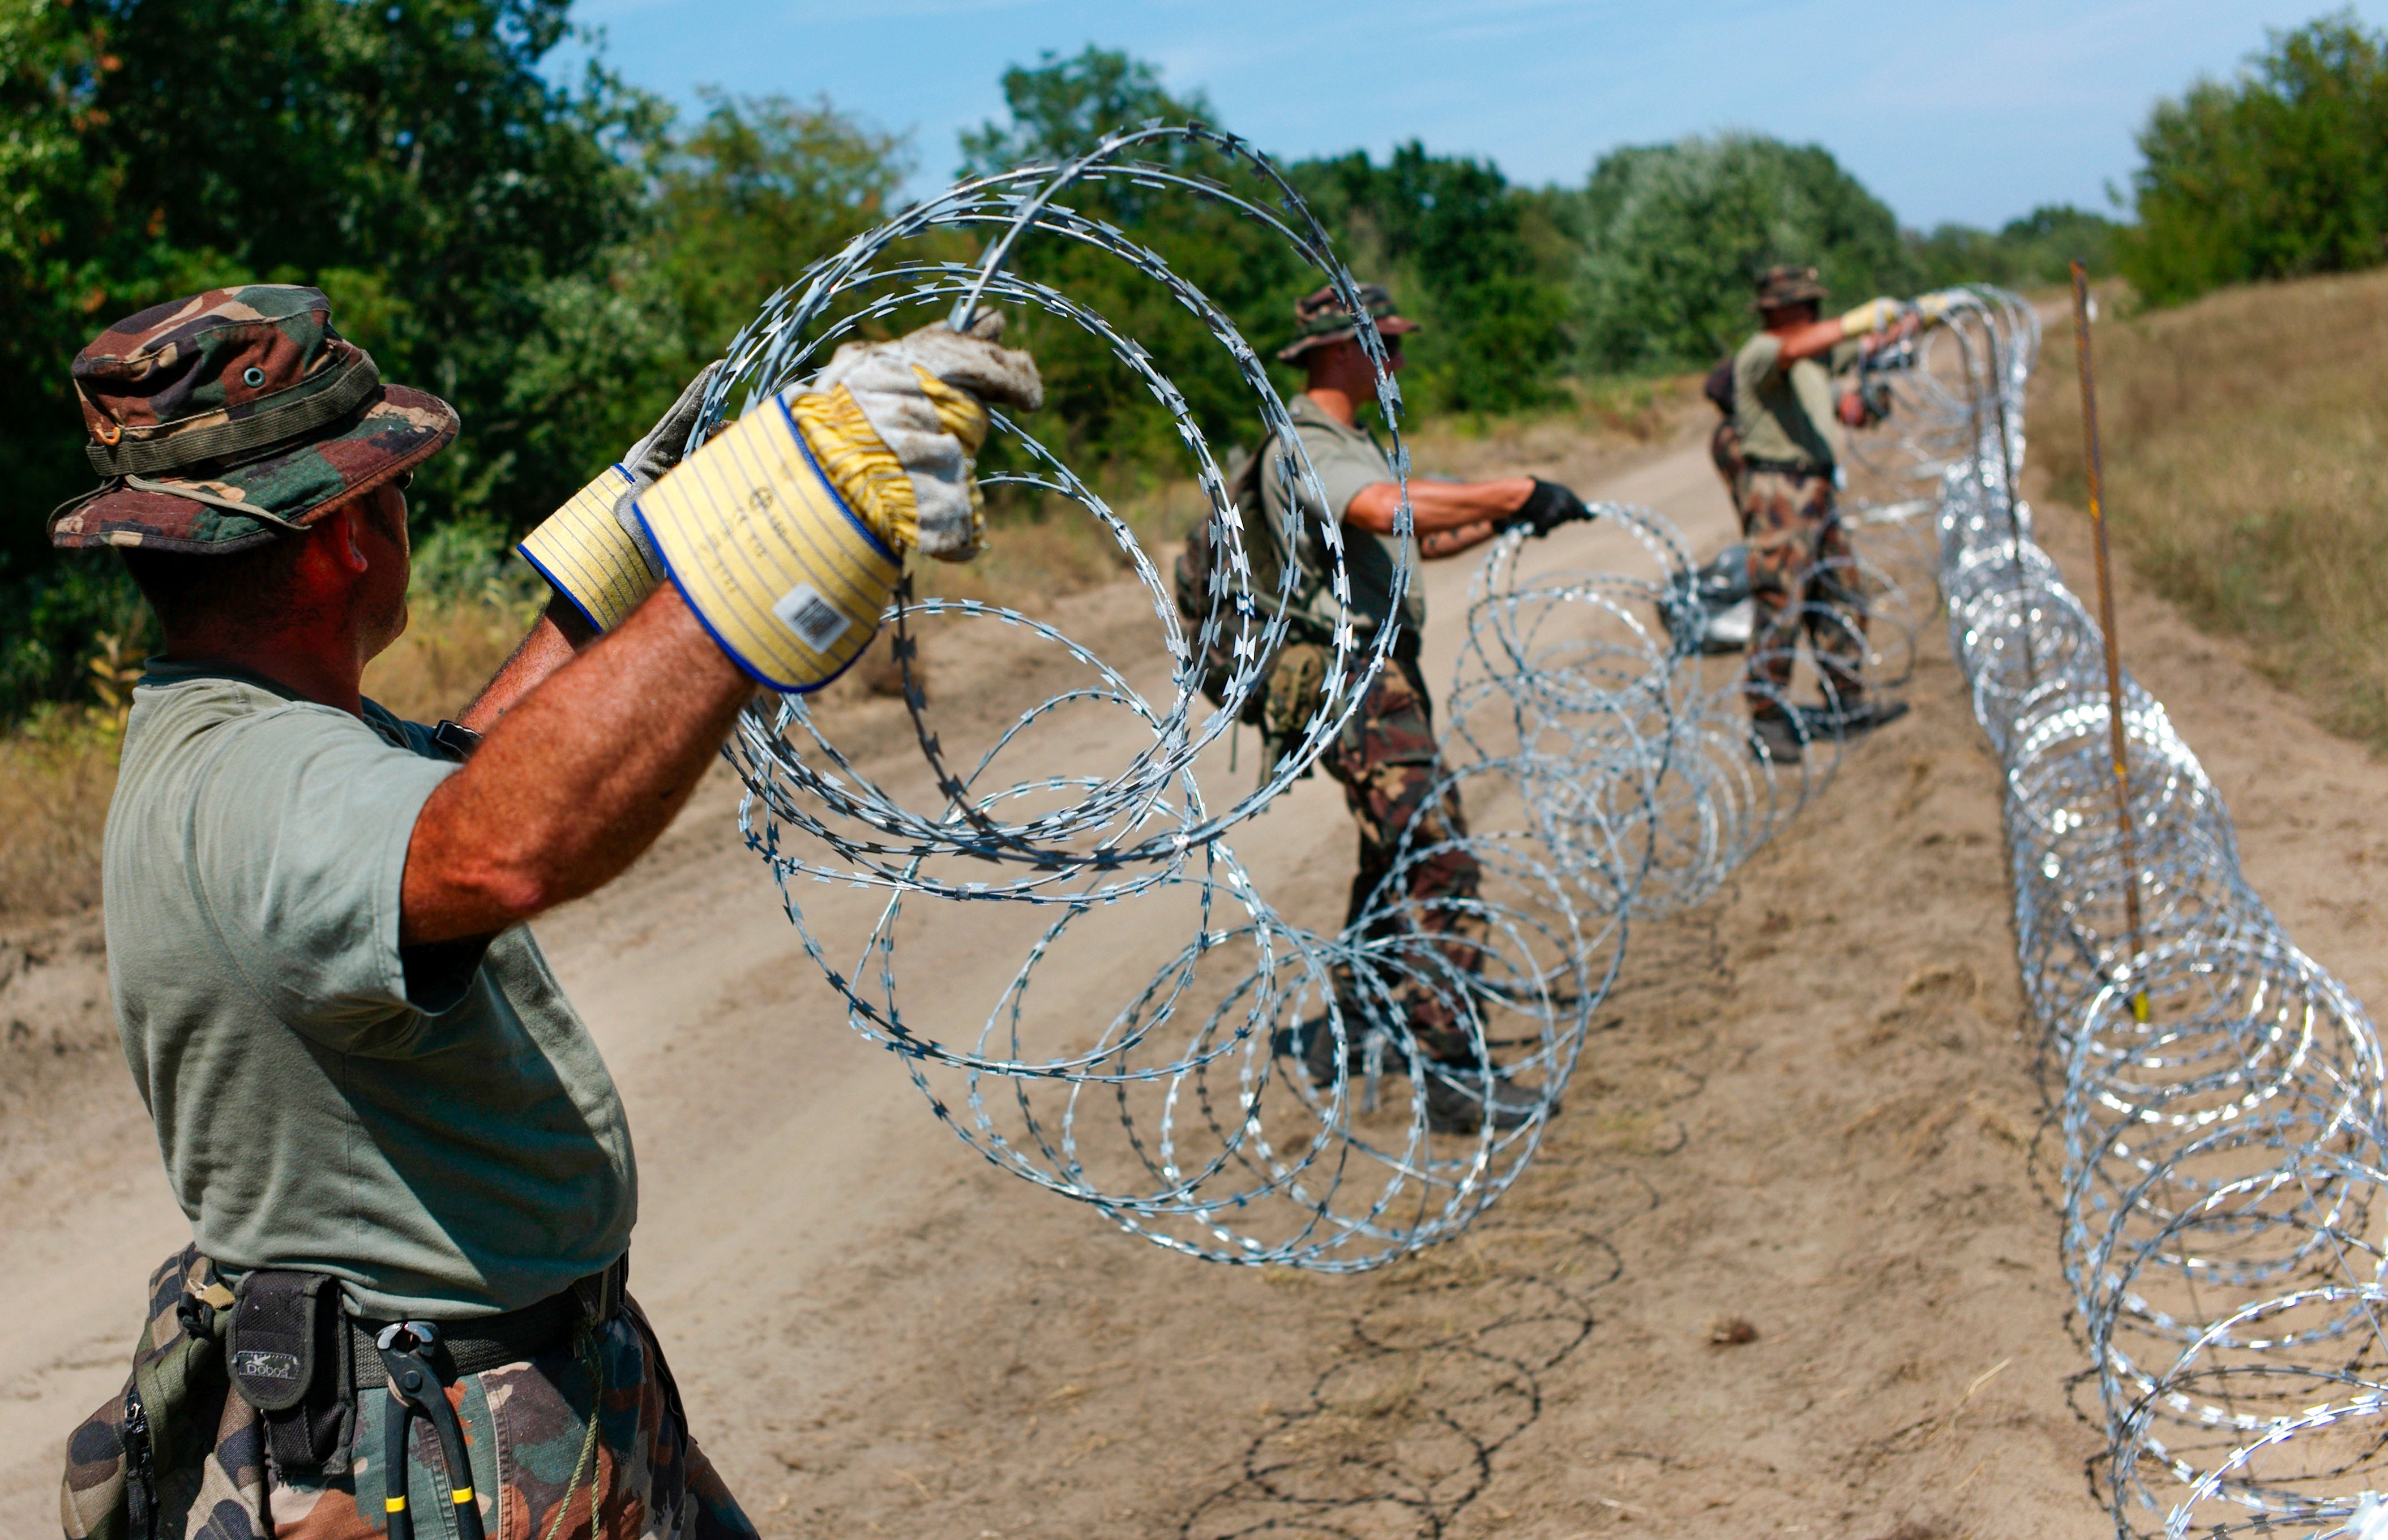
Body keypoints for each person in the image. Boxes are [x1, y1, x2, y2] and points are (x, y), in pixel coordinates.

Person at [53, 285, 1039, 1540]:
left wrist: (635, 540)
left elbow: (464, 775)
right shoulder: (262, 789)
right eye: (391, 488)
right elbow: (497, 843)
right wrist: (776, 553)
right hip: (431, 1446)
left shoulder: (262, 736)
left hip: (509, 1393)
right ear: (345, 538)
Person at [1255, 283, 1591, 1133]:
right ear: (1338, 352)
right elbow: (1379, 509)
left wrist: (1514, 517)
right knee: (1439, 859)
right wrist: (1511, 489)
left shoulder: (1350, 441)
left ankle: (1357, 1019)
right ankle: (1450, 1070)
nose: (1398, 363)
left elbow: (1419, 534)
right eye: (1385, 347)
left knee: (1391, 855)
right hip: (1354, 680)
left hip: (1381, 676)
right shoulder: (1305, 445)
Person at [1727, 264, 1918, 763]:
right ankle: (1768, 719)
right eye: (1807, 304)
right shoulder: (1764, 353)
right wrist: (1860, 320)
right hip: (1778, 493)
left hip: (1814, 489)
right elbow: (1796, 349)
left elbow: (1870, 345)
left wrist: (1923, 317)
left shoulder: (1813, 361)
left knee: (1841, 593)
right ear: (1782, 310)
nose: (1816, 311)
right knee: (1780, 602)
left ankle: (1845, 700)